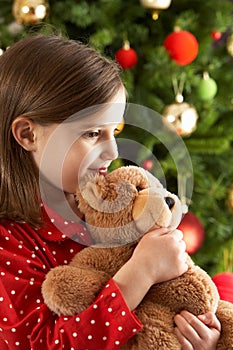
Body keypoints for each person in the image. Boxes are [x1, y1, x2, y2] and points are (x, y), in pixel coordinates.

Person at [0, 34, 221, 350]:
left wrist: (200, 336)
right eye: (92, 133)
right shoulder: (9, 245)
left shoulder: (113, 206)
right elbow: (45, 345)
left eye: (113, 131)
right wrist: (141, 271)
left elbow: (167, 301)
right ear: (27, 134)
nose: (112, 150)